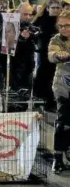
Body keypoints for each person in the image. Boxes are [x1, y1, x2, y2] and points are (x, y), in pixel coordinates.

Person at [47, 10, 70, 174]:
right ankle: (57, 158)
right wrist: (58, 55)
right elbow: (52, 55)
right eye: (60, 25)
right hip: (63, 87)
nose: (63, 28)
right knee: (63, 123)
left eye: (67, 25)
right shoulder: (56, 39)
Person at [34, 0, 61, 112]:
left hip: (59, 56)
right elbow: (34, 24)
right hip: (44, 55)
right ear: (48, 9)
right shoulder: (43, 20)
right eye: (53, 8)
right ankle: (43, 101)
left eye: (57, 8)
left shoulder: (63, 21)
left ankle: (53, 103)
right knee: (44, 77)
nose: (55, 10)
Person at [11, 3, 36, 92]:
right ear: (18, 12)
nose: (28, 17)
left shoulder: (31, 27)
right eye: (25, 14)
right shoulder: (10, 25)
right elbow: (7, 46)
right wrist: (21, 39)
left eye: (30, 14)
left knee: (25, 94)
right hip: (13, 67)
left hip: (28, 67)